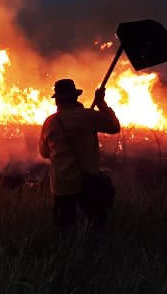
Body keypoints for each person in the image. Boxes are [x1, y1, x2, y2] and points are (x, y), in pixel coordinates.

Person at [39, 78, 121, 231]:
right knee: (96, 223)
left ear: (57, 101)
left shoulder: (50, 122)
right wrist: (101, 104)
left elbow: (44, 153)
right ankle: (92, 251)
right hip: (87, 181)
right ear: (76, 97)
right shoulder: (88, 116)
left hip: (61, 185)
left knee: (64, 228)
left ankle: (67, 252)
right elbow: (114, 127)